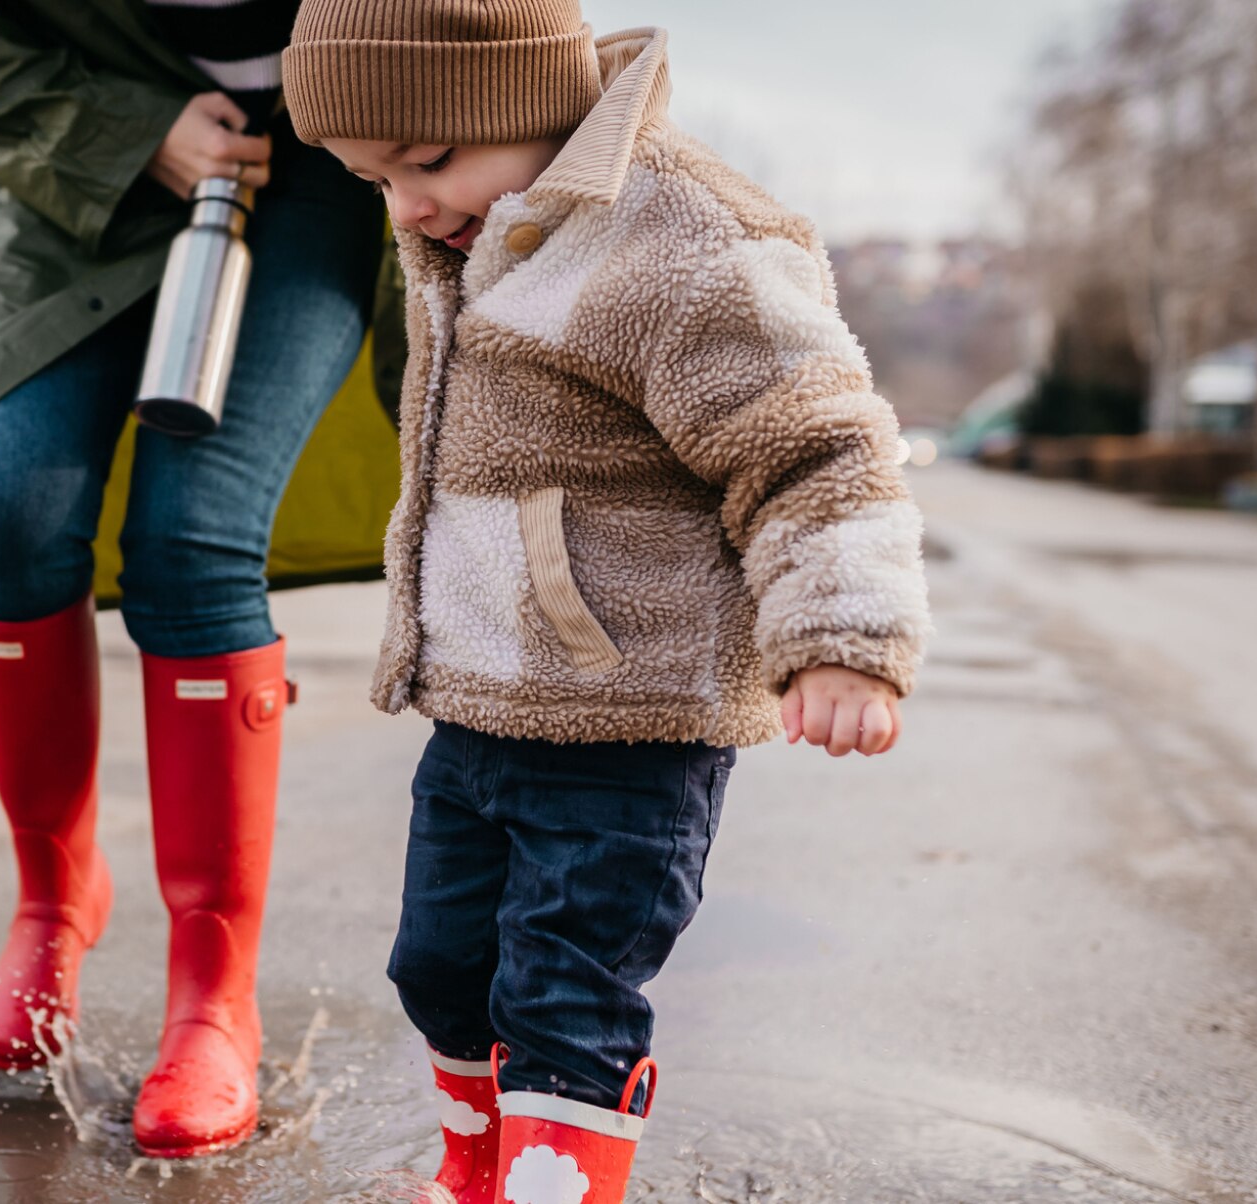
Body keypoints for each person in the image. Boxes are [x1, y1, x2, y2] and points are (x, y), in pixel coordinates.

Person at [280, 4, 932, 1201]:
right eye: (373, 181)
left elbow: (814, 448)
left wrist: (840, 638)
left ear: (524, 100)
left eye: (425, 164)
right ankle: (473, 1177)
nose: (408, 208)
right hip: (480, 704)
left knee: (561, 995)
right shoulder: (479, 228)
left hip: (631, 718)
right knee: (439, 969)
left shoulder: (685, 241)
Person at [0, 0, 384, 1160]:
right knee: (3, 503)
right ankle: (56, 891)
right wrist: (121, 129)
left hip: (327, 144)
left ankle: (212, 994)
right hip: (53, 132)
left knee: (194, 539)